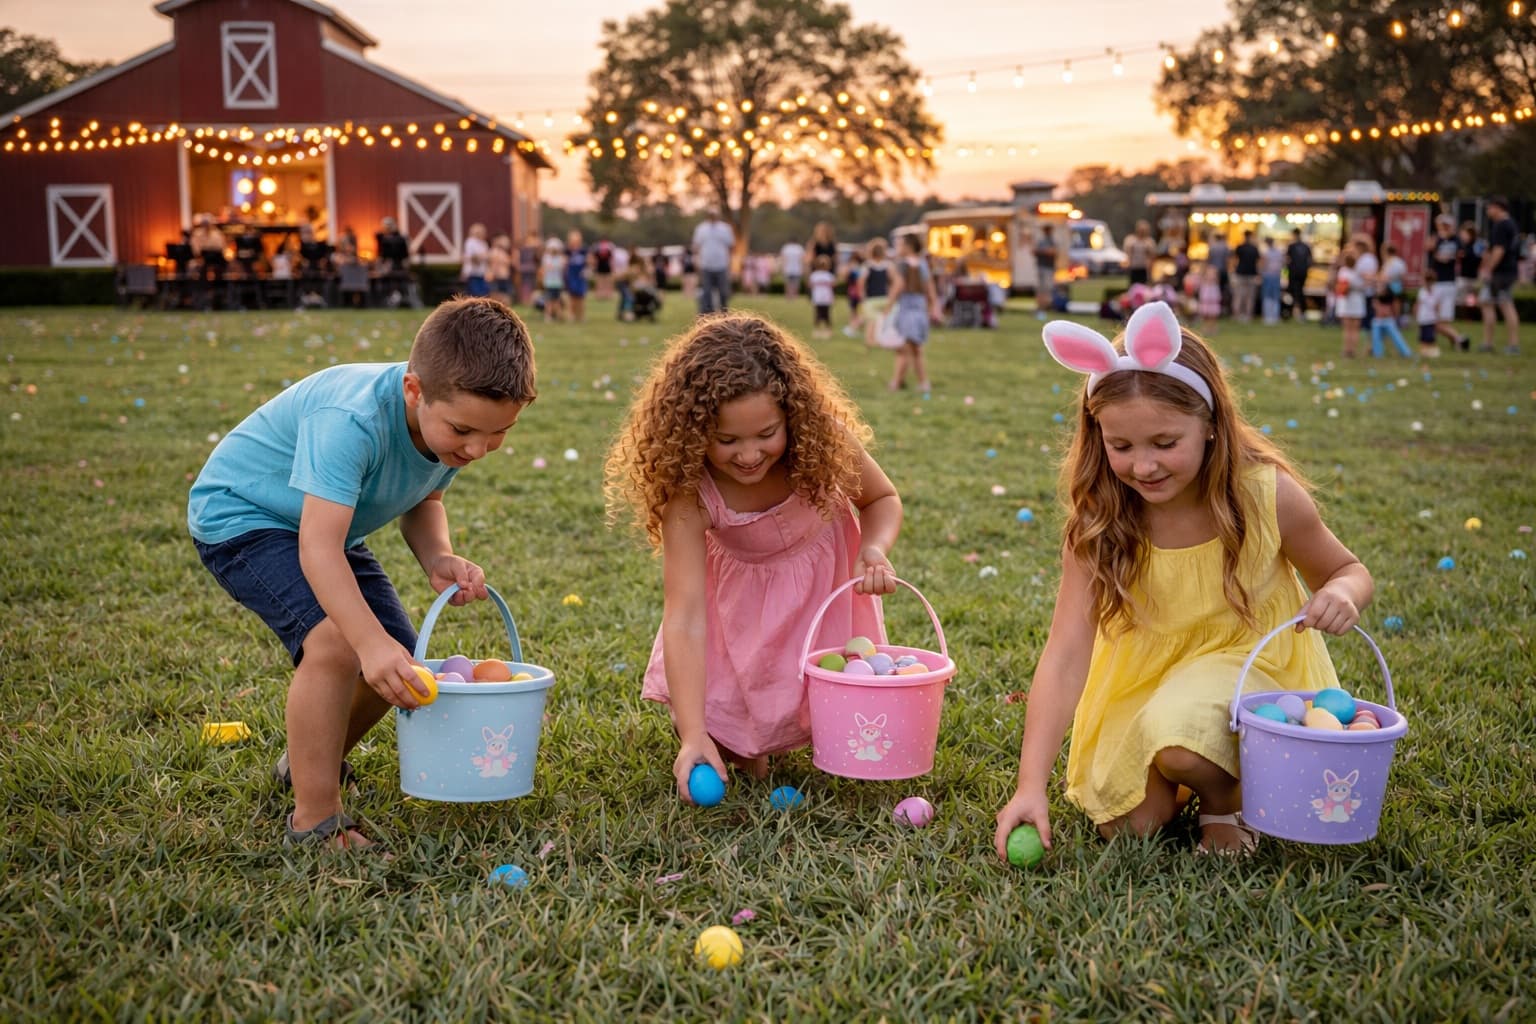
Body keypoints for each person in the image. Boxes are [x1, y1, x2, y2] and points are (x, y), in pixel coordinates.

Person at [993, 301, 1374, 858]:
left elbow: (1347, 569)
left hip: (1247, 670)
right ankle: (1187, 772)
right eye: (1120, 446)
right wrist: (1031, 786)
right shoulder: (1102, 520)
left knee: (1182, 737)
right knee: (1129, 828)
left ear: (1213, 425)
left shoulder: (1264, 497)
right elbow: (1066, 653)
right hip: (1144, 683)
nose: (1143, 466)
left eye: (1165, 444)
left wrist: (1341, 592)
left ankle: (1228, 798)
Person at [188, 298, 537, 850]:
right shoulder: (350, 420)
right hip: (243, 518)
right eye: (465, 431)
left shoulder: (448, 424)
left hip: (326, 528)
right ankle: (315, 821)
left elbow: (425, 501)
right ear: (415, 391)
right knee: (337, 646)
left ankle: (304, 765)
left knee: (397, 657)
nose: (477, 449)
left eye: (498, 434)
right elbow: (318, 549)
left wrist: (437, 557)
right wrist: (364, 642)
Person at [603, 312, 903, 796]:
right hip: (739, 617)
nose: (748, 455)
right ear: (693, 430)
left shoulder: (823, 441)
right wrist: (694, 732)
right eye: (726, 440)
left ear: (792, 416)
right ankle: (728, 736)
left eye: (766, 434)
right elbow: (684, 616)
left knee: (836, 723)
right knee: (742, 755)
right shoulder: (691, 495)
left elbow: (881, 499)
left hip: (818, 600)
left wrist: (873, 547)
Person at [886, 232, 939, 393]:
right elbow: (930, 289)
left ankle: (896, 382)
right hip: (920, 310)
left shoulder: (902, 265)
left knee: (904, 349)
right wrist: (933, 307)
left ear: (908, 246)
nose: (898, 248)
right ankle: (922, 383)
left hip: (907, 310)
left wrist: (888, 305)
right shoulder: (923, 264)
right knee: (916, 350)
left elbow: (899, 286)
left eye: (900, 244)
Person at [1478, 196, 1522, 354]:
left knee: (1506, 304)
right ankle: (1488, 343)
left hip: (1502, 273)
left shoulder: (1502, 225)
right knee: (1486, 301)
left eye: (1489, 208)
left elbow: (1499, 250)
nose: (1488, 211)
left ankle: (1513, 344)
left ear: (1498, 207)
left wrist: (1488, 269)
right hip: (1505, 271)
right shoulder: (1510, 224)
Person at [1426, 215, 1469, 352]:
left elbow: (1455, 255)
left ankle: (1459, 340)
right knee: (1436, 319)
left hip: (1447, 283)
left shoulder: (1456, 241)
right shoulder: (1437, 238)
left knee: (1439, 320)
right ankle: (1457, 341)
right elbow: (1429, 249)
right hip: (1437, 282)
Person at [1369, 243, 1411, 357]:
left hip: (1387, 291)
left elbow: (1384, 277)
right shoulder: (1400, 262)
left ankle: (1378, 347)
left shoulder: (1390, 263)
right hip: (1397, 288)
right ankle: (1395, 322)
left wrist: (1374, 279)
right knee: (1393, 310)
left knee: (1384, 314)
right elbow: (1403, 276)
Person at [692, 209, 735, 314]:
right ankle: (707, 314)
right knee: (706, 292)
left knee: (723, 292)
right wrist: (696, 260)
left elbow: (731, 247)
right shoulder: (701, 228)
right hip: (706, 265)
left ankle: (724, 313)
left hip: (722, 265)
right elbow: (696, 246)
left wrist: (731, 264)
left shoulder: (725, 228)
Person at [859, 239, 894, 349]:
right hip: (884, 297)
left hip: (871, 298)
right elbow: (893, 281)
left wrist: (862, 296)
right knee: (882, 321)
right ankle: (878, 340)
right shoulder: (887, 265)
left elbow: (861, 282)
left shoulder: (867, 266)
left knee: (872, 321)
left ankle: (870, 340)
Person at [1336, 250, 1365, 357]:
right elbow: (1363, 285)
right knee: (1355, 328)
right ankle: (1353, 350)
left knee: (1347, 329)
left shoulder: (1343, 272)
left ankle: (1347, 349)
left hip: (1347, 301)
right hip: (1357, 300)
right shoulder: (1359, 273)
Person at [1231, 230, 1260, 323]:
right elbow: (1258, 262)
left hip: (1240, 273)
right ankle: (1248, 315)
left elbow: (1234, 260)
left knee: (1239, 295)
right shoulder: (1254, 248)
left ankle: (1237, 314)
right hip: (1251, 274)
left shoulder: (1240, 247)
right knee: (1250, 296)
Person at [1284, 229, 1312, 321]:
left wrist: (1288, 269)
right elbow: (1310, 260)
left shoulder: (1292, 246)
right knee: (1300, 293)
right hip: (1302, 273)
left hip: (1294, 273)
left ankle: (1288, 312)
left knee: (1291, 293)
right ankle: (1301, 313)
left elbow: (1287, 259)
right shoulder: (1306, 246)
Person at [1033, 225, 1059, 320]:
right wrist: (1044, 251)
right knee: (1042, 290)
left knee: (1047, 290)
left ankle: (1043, 309)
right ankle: (1040, 309)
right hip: (1042, 267)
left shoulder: (1051, 241)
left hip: (1048, 268)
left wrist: (1042, 251)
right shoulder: (1042, 241)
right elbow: (1034, 251)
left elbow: (1053, 252)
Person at [808, 255, 837, 339]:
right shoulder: (829, 275)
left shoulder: (814, 275)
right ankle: (828, 330)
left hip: (818, 298)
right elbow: (833, 285)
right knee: (826, 315)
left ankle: (817, 330)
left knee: (818, 315)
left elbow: (810, 285)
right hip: (826, 298)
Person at [539, 236, 567, 323]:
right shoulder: (546, 258)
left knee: (557, 300)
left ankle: (558, 316)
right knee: (549, 301)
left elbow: (562, 267)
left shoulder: (560, 258)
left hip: (558, 282)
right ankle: (548, 316)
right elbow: (545, 269)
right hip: (549, 282)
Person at [564, 230, 589, 324]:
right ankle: (571, 316)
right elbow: (565, 262)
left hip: (580, 276)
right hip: (571, 276)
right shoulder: (567, 251)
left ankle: (581, 316)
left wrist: (587, 269)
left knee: (581, 297)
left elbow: (589, 260)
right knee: (572, 297)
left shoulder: (583, 250)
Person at [1259, 236, 1284, 326]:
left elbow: (1263, 265)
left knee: (1267, 296)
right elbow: (1282, 263)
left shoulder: (1266, 252)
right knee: (1275, 297)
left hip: (1268, 276)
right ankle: (1274, 316)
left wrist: (1261, 273)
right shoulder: (1279, 252)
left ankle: (1268, 316)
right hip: (1276, 276)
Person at [461, 223, 491, 298]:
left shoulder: (484, 243)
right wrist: (481, 256)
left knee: (484, 292)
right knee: (475, 293)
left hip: (481, 272)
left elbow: (487, 257)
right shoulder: (470, 242)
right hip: (472, 272)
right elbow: (471, 257)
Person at [1125, 220, 1155, 287]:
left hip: (1144, 268)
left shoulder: (1149, 241)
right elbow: (1127, 252)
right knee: (1133, 286)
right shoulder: (1131, 239)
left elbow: (1152, 255)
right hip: (1134, 267)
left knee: (1144, 286)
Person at [1195, 263, 1222, 334]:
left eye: (1213, 274)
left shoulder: (1215, 284)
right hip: (1205, 302)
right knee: (1205, 315)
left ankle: (1213, 327)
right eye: (1209, 274)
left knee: (1213, 316)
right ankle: (1206, 327)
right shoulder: (1203, 284)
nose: (1211, 276)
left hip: (1213, 302)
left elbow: (1217, 294)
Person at [488, 234, 514, 301]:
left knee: (505, 293)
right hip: (498, 276)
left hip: (503, 276)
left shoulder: (502, 252)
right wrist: (492, 273)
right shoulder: (495, 251)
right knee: (498, 294)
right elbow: (495, 263)